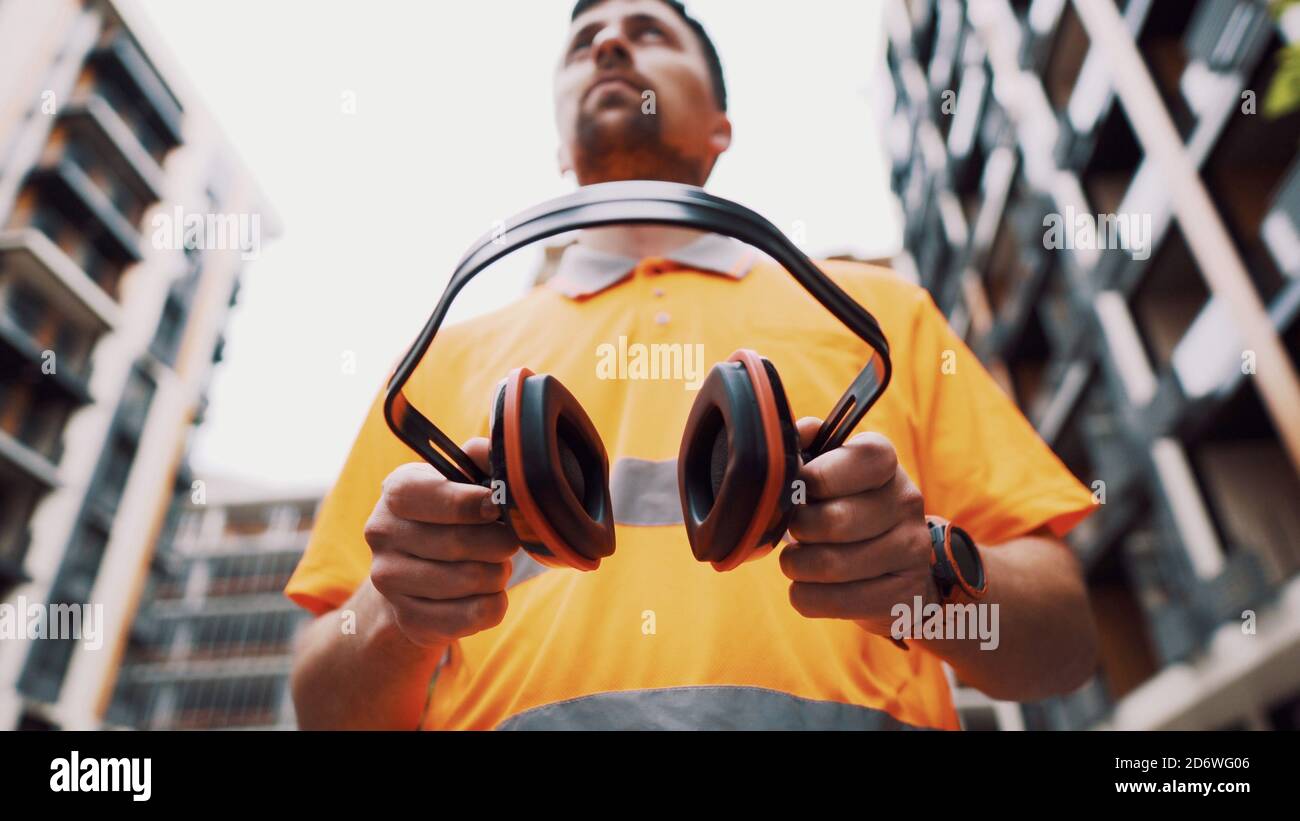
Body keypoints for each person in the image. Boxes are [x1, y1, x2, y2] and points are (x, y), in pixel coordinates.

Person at [286, 0, 1099, 730]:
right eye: (581, 45)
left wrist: (926, 580)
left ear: (721, 125)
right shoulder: (436, 363)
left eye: (649, 34)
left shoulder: (881, 313)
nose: (608, 44)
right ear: (558, 144)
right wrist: (398, 611)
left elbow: (1062, 647)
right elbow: (326, 710)